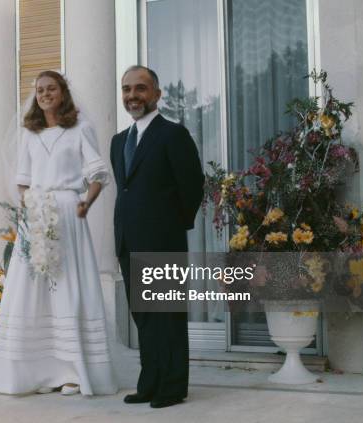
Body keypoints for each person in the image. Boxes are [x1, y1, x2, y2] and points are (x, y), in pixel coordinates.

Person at [0, 70, 118, 396]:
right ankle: (39, 371)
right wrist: (30, 205)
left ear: (62, 92)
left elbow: (97, 173)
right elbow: (22, 179)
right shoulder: (30, 135)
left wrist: (85, 204)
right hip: (36, 214)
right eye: (40, 90)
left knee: (67, 285)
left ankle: (73, 370)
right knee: (33, 289)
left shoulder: (80, 129)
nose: (45, 94)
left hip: (67, 211)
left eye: (51, 88)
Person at [110, 65, 205, 408]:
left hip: (163, 238)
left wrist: (170, 226)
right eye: (126, 89)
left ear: (156, 94)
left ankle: (173, 387)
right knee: (145, 318)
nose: (132, 96)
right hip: (128, 240)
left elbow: (192, 187)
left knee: (167, 316)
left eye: (140, 88)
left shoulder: (172, 135)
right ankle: (149, 382)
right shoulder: (119, 141)